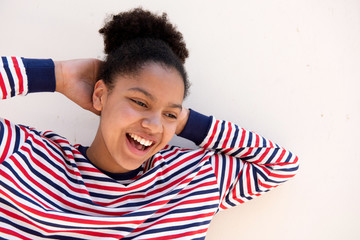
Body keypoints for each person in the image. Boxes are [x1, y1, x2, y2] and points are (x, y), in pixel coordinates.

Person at [0, 8, 299, 240]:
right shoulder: (24, 157)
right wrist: (59, 76)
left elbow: (279, 165)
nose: (154, 125)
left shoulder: (194, 180)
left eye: (170, 114)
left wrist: (182, 120)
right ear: (101, 95)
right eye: (141, 103)